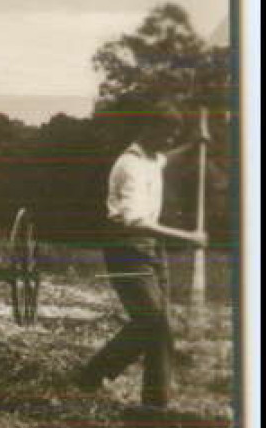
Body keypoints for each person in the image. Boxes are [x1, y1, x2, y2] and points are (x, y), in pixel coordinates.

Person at [75, 101, 208, 409]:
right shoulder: (130, 165)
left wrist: (194, 144)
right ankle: (92, 376)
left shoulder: (152, 158)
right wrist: (189, 238)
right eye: (168, 132)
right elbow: (136, 221)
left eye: (176, 133)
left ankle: (155, 404)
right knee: (151, 320)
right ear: (149, 128)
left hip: (150, 249)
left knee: (160, 326)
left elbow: (167, 159)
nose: (171, 139)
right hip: (125, 247)